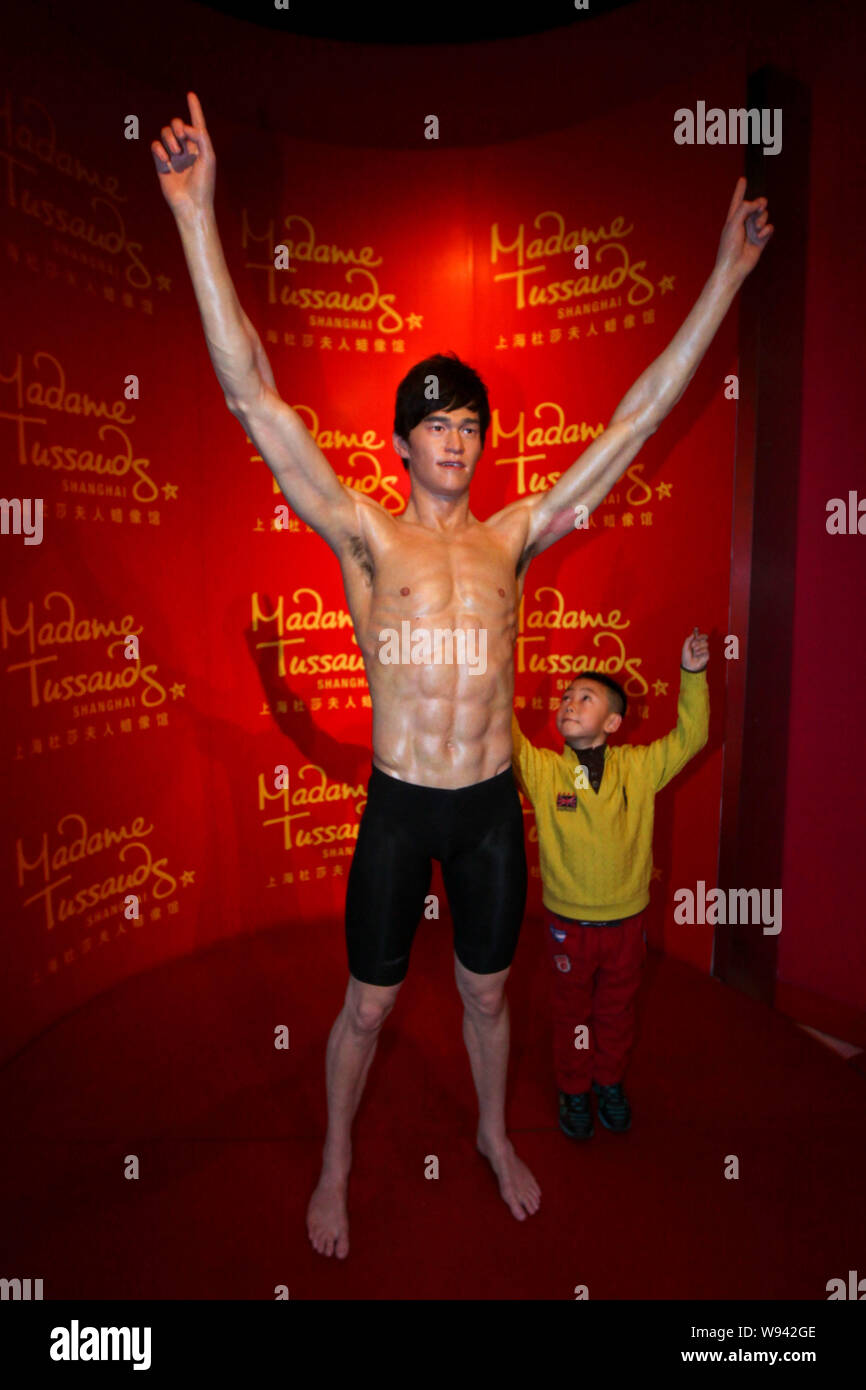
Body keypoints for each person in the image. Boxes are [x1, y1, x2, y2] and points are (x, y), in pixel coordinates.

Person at [151, 90, 772, 1258]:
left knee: (489, 995)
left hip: (489, 805)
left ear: (483, 443)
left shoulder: (514, 535)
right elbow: (253, 398)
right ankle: (334, 1159)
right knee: (369, 1004)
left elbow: (632, 424)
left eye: (469, 423)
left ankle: (492, 1133)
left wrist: (724, 283)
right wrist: (197, 217)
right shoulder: (362, 534)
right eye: (433, 421)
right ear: (399, 441)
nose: (454, 435)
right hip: (397, 802)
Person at [511, 630, 710, 1138]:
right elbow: (503, 734)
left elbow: (691, 737)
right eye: (565, 697)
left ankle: (609, 1082)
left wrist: (692, 675)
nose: (569, 704)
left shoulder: (639, 767)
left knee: (617, 1011)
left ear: (614, 721)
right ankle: (575, 1089)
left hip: (626, 922)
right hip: (568, 925)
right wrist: (489, 665)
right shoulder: (543, 770)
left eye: (585, 697)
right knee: (573, 1014)